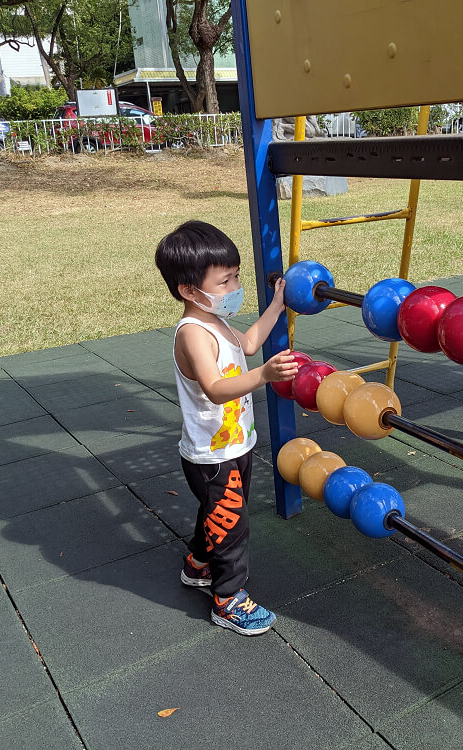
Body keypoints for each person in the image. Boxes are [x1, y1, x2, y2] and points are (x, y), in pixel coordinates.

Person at [155, 220, 299, 636]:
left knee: (218, 514)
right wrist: (264, 376)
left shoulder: (217, 321)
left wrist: (275, 306)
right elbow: (216, 389)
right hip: (211, 456)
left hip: (236, 444)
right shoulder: (193, 334)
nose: (234, 285)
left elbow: (249, 344)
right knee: (233, 524)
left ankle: (198, 564)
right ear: (189, 291)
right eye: (225, 280)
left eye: (236, 275)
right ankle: (228, 599)